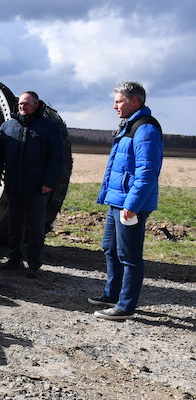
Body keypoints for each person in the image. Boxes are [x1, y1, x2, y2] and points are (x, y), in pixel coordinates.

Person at [89, 81, 164, 321]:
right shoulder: (129, 126)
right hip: (116, 201)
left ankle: (126, 307)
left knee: (129, 256)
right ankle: (112, 295)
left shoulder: (145, 129)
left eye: (119, 101)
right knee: (110, 248)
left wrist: (131, 205)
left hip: (130, 204)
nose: (114, 106)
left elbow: (147, 172)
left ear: (135, 101)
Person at [0, 91, 65, 278]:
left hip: (37, 187)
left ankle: (33, 263)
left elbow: (56, 158)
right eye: (21, 104)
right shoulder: (8, 126)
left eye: (27, 104)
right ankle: (14, 259)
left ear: (37, 105)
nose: (23, 107)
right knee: (15, 224)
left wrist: (49, 182)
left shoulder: (49, 128)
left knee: (35, 227)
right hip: (14, 184)